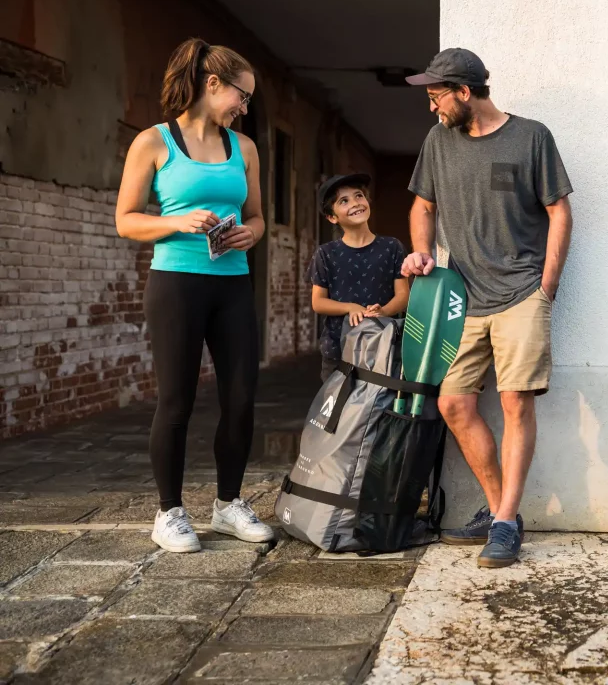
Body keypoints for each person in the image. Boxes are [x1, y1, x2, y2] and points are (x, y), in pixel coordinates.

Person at [401, 49, 573, 569]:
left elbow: (559, 209)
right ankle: (503, 511)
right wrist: (423, 251)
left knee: (517, 402)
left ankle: (501, 522)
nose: (432, 109)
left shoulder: (532, 137)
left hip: (522, 293)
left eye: (436, 97)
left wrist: (548, 283)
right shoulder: (438, 141)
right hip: (462, 298)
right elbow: (422, 205)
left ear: (464, 91)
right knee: (454, 404)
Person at [115, 38, 273, 553]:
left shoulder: (243, 148)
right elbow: (126, 220)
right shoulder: (154, 142)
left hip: (232, 285)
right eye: (241, 97)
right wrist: (176, 220)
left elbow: (257, 217)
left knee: (241, 398)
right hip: (176, 285)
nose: (244, 108)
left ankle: (229, 505)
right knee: (177, 401)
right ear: (212, 85)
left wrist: (252, 233)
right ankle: (169, 512)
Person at [308, 174, 410, 381]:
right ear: (332, 217)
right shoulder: (326, 254)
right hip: (338, 348)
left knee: (380, 408)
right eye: (343, 201)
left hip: (384, 346)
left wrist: (384, 311)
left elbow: (403, 295)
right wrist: (350, 307)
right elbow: (318, 302)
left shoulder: (392, 247)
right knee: (337, 410)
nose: (355, 203)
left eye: (359, 196)